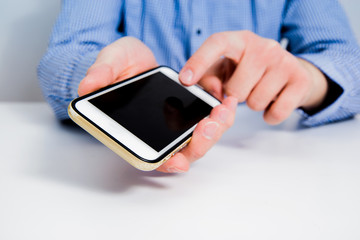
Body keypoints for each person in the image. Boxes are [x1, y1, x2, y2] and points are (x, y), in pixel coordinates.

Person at [38, 0, 360, 173]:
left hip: (263, 167)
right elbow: (60, 59)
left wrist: (306, 79)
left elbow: (349, 61)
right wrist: (109, 81)